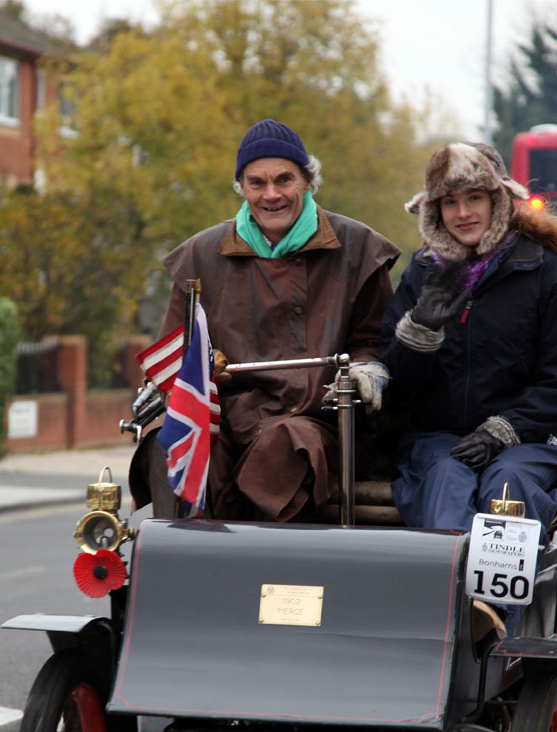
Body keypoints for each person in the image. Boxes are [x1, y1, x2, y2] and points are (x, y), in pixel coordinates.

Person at [380, 142, 557, 631]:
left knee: (509, 485)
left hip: (528, 441)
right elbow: (396, 387)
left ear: (498, 201)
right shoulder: (421, 273)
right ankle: (447, 610)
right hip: (437, 439)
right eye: (449, 202)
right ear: (435, 210)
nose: (462, 213)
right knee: (446, 478)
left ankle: (492, 616)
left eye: (474, 198)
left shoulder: (544, 272)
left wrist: (503, 430)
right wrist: (420, 332)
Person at [147, 119, 399, 522]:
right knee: (172, 440)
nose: (271, 194)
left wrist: (368, 369)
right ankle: (191, 552)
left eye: (284, 179)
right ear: (241, 188)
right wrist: (197, 376)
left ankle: (250, 551)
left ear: (308, 182)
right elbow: (176, 354)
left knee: (285, 444)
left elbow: (375, 340)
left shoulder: (358, 248)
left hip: (318, 420)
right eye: (256, 182)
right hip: (227, 415)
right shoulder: (199, 255)